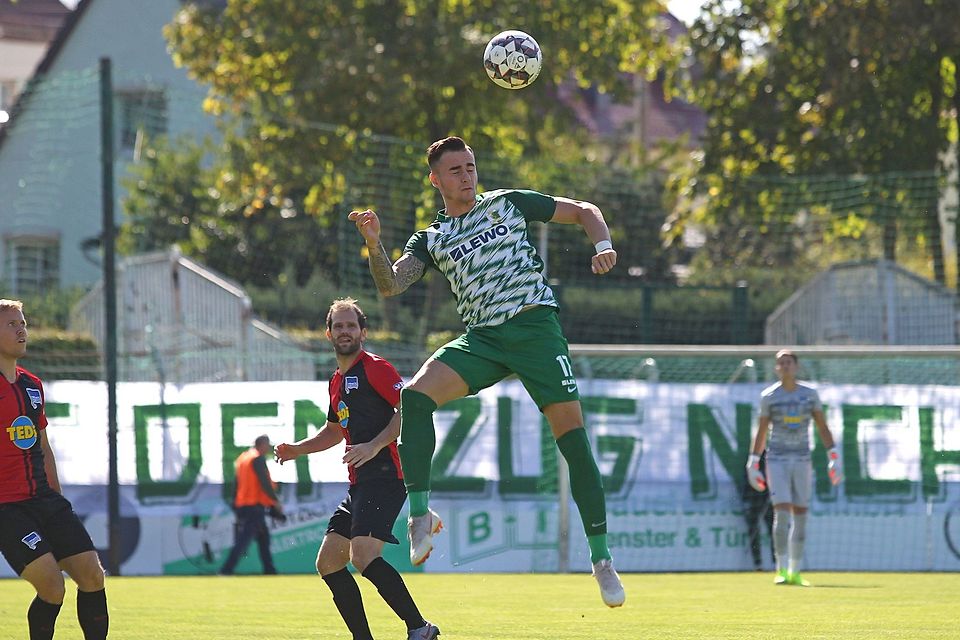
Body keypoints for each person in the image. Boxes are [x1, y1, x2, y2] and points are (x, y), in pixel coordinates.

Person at [348, 136, 625, 607]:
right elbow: (391, 285)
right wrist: (375, 244)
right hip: (484, 339)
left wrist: (602, 244)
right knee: (413, 397)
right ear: (435, 179)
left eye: (470, 165)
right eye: (455, 170)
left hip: (534, 327)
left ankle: (601, 559)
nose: (466, 175)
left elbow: (583, 209)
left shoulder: (506, 203)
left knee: (572, 438)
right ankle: (419, 515)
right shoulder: (432, 239)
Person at [275, 298, 440, 640]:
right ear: (328, 333)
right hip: (360, 483)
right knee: (329, 563)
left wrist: (375, 444)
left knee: (363, 556)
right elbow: (334, 431)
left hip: (387, 477)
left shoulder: (376, 368)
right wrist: (297, 450)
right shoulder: (336, 382)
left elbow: (410, 410)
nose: (345, 331)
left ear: (363, 332)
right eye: (339, 326)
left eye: (351, 325)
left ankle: (420, 628)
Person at [0, 299, 109, 639]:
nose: (22, 329)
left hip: (46, 502)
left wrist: (57, 504)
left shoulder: (32, 385)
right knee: (52, 586)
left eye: (23, 323)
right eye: (11, 324)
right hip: (7, 509)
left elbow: (43, 447)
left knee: (92, 576)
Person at [746, 349, 843, 586]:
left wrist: (834, 455)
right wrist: (753, 461)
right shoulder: (769, 396)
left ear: (796, 367)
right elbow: (761, 431)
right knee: (781, 512)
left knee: (800, 515)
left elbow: (822, 425)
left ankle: (796, 570)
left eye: (789, 362)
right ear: (776, 368)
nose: (785, 366)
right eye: (781, 363)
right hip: (777, 459)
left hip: (802, 459)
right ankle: (781, 569)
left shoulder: (809, 395)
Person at [219, 434, 283, 575]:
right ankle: (226, 570)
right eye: (267, 445)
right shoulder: (257, 459)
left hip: (244, 504)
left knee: (263, 539)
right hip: (254, 505)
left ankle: (269, 570)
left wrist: (235, 503)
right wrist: (275, 501)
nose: (268, 448)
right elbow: (264, 483)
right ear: (262, 444)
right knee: (243, 540)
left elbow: (236, 484)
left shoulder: (243, 458)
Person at [741, 450, 774, 571]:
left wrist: (772, 496)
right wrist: (746, 500)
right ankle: (757, 563)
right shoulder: (750, 462)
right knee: (753, 531)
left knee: (773, 531)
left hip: (768, 502)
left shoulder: (771, 461)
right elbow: (745, 483)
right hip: (754, 502)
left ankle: (776, 562)